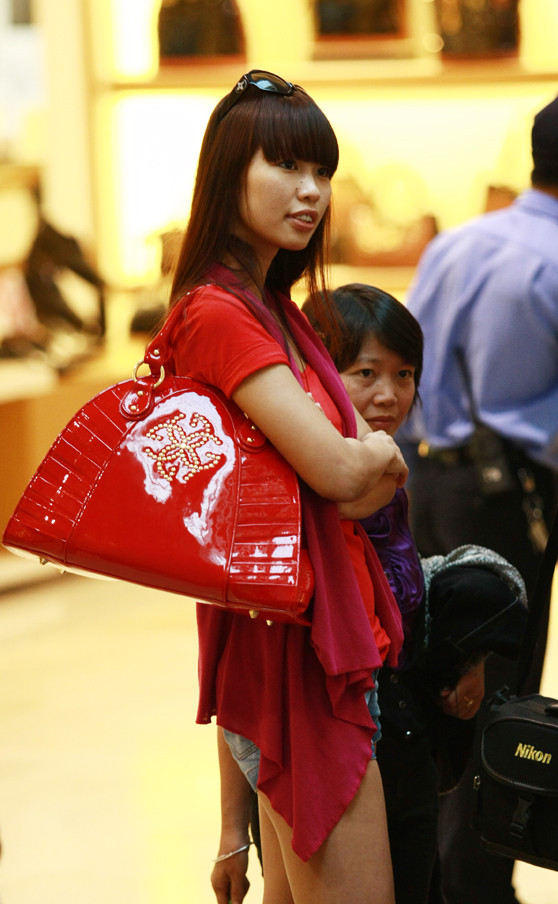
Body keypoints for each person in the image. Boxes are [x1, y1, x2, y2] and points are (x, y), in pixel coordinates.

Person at [167, 70, 409, 904]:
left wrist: (358, 465)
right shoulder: (220, 311)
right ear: (227, 172)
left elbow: (345, 478)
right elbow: (342, 472)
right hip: (292, 650)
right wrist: (381, 455)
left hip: (301, 634)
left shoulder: (273, 305)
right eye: (286, 166)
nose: (312, 191)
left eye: (322, 171)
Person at [211, 282, 527, 904]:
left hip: (398, 746)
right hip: (337, 754)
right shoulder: (296, 504)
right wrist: (230, 831)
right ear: (313, 379)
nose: (389, 394)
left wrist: (465, 653)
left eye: (404, 374)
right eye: (365, 373)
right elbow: (244, 674)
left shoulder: (382, 481)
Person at [397, 80, 558, 904]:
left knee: (435, 686)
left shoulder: (455, 243)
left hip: (425, 481)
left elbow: (403, 364)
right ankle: (484, 883)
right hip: (512, 497)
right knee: (499, 693)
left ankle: (446, 878)